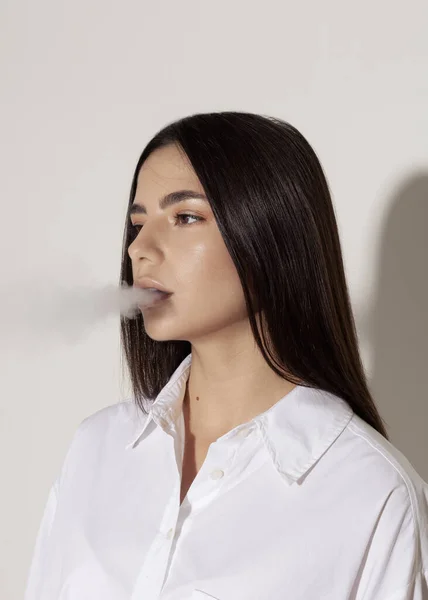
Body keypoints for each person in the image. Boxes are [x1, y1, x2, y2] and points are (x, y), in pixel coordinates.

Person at [24, 112, 428, 599]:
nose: (141, 250)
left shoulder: (371, 493)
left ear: (269, 237)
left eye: (185, 217)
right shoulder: (97, 450)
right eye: (137, 224)